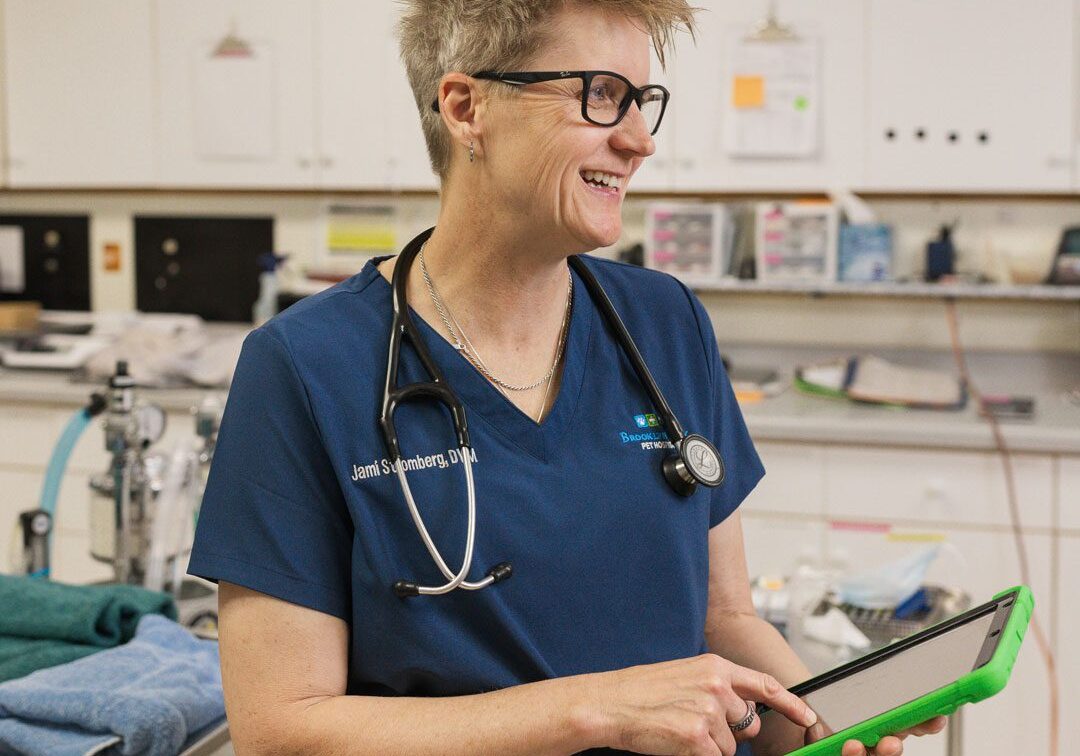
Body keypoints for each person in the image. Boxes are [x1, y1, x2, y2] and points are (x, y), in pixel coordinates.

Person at [188, 1, 947, 753]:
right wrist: (595, 710)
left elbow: (725, 621)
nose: (640, 140)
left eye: (643, 100)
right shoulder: (306, 367)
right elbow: (280, 732)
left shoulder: (666, 323)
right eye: (602, 94)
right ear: (467, 108)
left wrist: (821, 725)